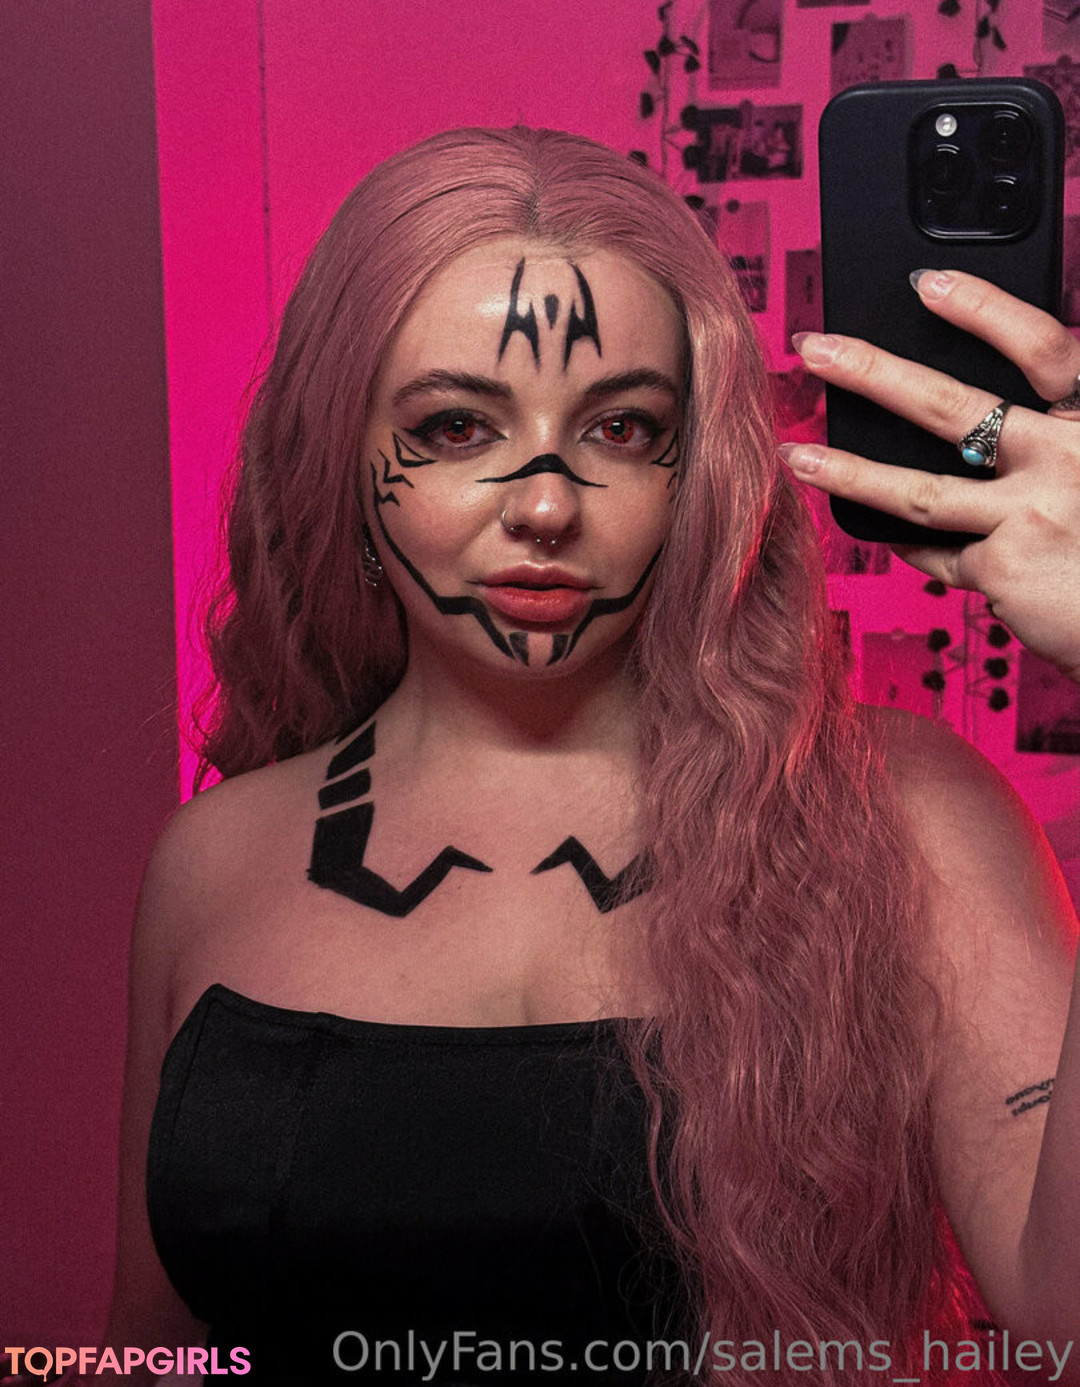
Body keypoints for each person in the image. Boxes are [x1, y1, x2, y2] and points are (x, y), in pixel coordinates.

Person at [36, 126, 1080, 1386]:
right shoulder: (212, 859)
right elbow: (151, 1358)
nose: (544, 503)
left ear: (700, 471)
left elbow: (1065, 1322)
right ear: (339, 451)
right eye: (457, 426)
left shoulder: (902, 815)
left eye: (622, 428)